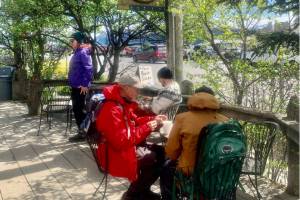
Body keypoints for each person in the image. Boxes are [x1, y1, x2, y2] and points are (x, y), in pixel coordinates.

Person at [95, 74, 167, 200]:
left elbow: (134, 121)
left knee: (162, 153)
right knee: (151, 158)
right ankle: (132, 194)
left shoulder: (121, 102)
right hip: (113, 153)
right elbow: (121, 141)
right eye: (136, 88)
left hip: (122, 146)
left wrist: (153, 119)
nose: (139, 91)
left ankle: (143, 189)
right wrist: (149, 127)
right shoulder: (111, 108)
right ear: (126, 87)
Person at [160, 86, 228, 200]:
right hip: (217, 172)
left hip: (189, 172)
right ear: (213, 100)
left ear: (194, 97)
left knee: (166, 167)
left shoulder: (182, 118)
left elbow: (171, 152)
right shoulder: (225, 121)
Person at [68, 31, 93, 142]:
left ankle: (84, 132)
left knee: (79, 110)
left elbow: (89, 69)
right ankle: (84, 131)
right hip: (75, 86)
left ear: (78, 42)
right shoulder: (77, 52)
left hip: (80, 87)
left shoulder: (83, 52)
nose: (71, 43)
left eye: (72, 41)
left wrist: (84, 84)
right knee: (77, 109)